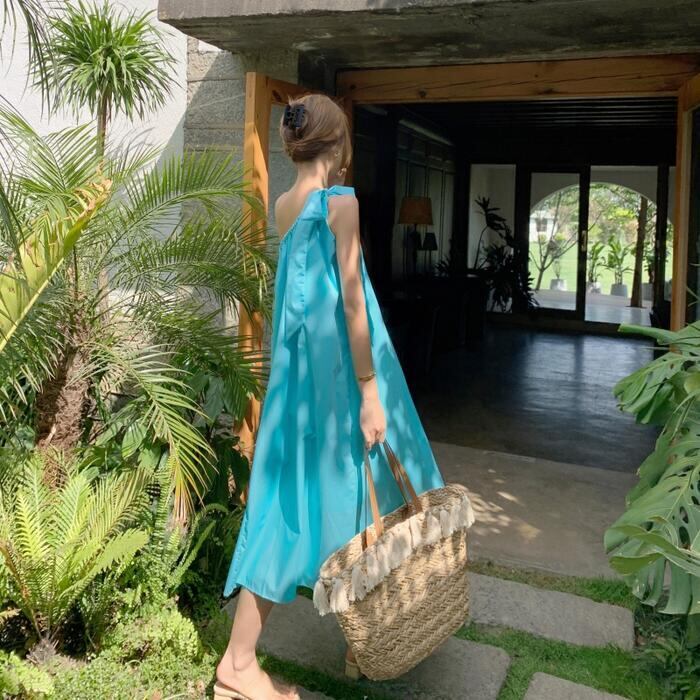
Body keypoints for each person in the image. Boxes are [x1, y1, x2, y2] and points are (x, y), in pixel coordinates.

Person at [214, 94, 445, 700]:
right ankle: (246, 663)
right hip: (346, 377)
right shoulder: (342, 203)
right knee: (377, 487)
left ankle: (350, 639)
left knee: (293, 503)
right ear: (338, 147)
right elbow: (351, 302)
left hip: (301, 383)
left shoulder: (286, 206)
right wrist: (370, 392)